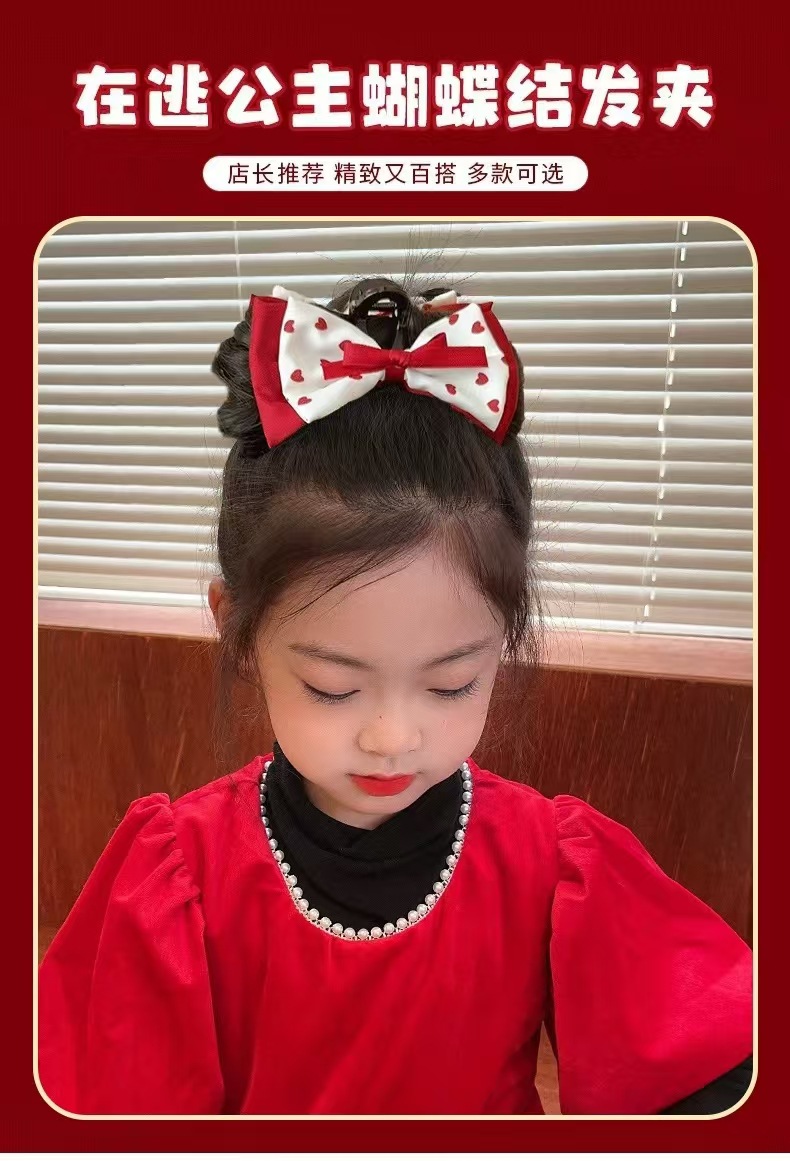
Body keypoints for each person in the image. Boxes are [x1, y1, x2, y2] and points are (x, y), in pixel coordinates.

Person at [38, 278, 753, 1116]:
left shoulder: (552, 864)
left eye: (452, 683)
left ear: (503, 641)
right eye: (332, 687)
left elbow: (707, 1063)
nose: (392, 736)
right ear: (237, 630)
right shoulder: (180, 874)